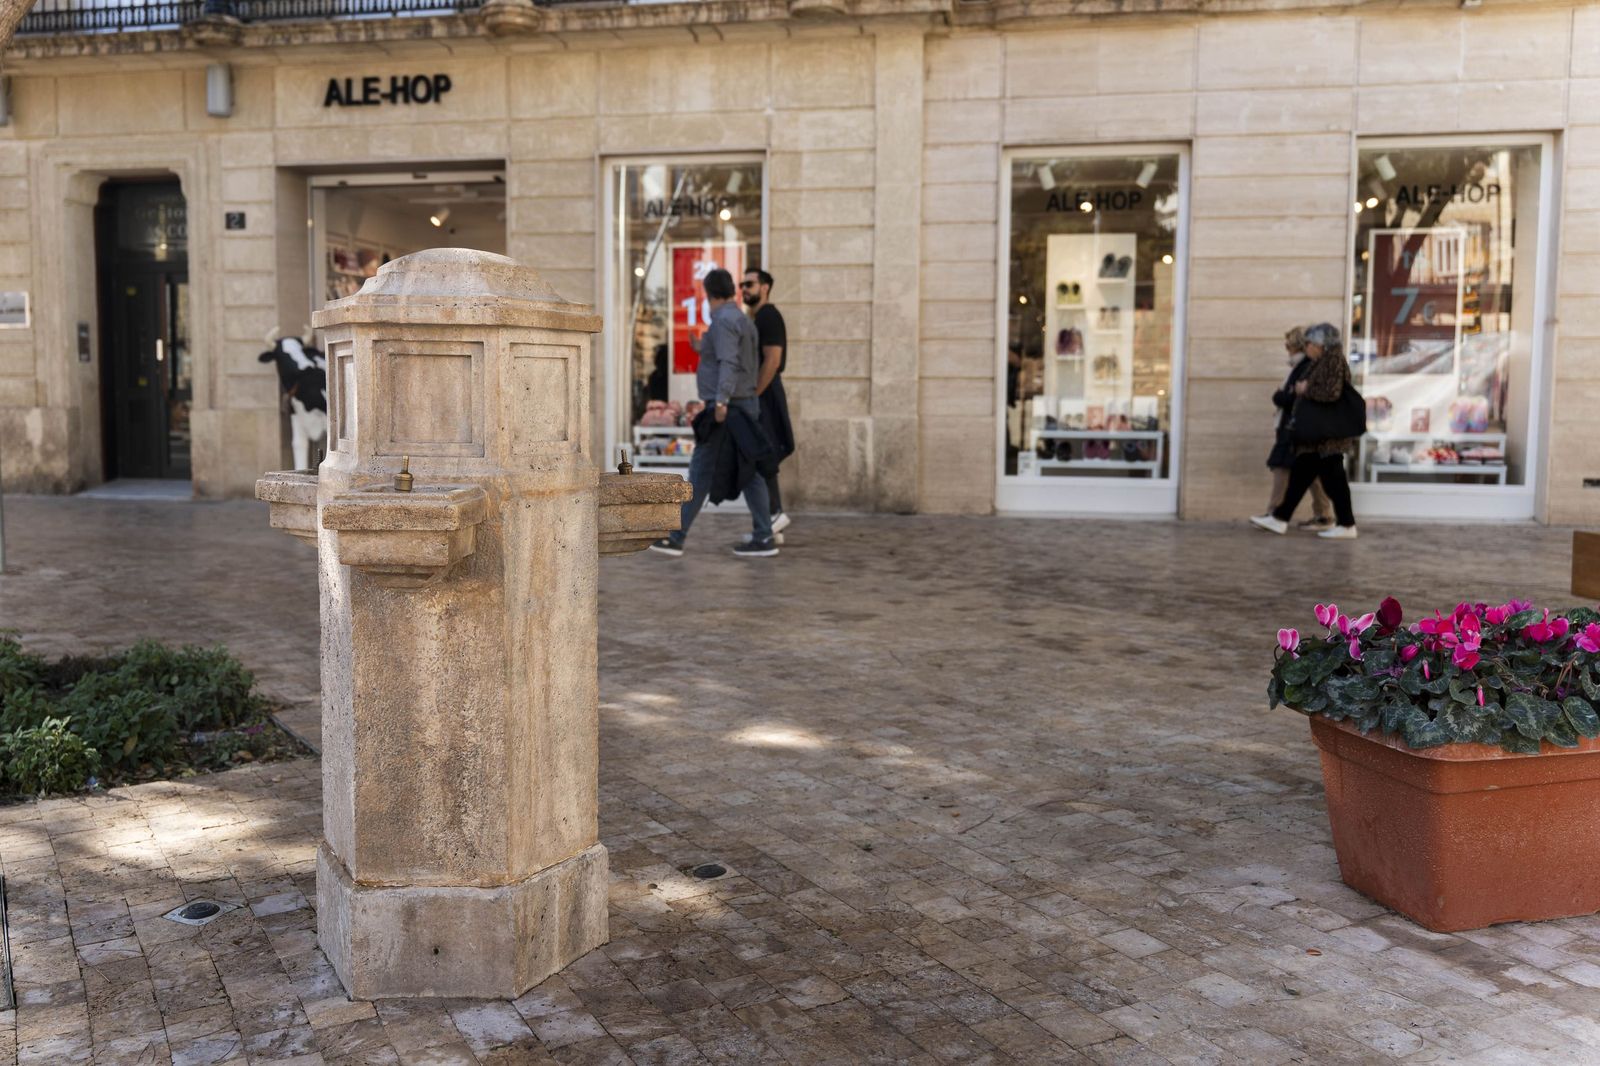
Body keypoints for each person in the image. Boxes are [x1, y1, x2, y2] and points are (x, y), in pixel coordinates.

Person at [649, 268, 778, 558]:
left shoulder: (723, 321)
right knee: (750, 469)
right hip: (741, 404)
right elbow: (735, 358)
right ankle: (763, 535)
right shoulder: (743, 319)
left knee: (702, 470)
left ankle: (676, 537)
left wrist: (720, 403)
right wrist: (702, 348)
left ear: (708, 294)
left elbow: (730, 364)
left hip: (727, 408)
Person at [1251, 323, 1359, 539]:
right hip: (1318, 436)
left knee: (1333, 481)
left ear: (1321, 344)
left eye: (1309, 343)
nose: (1306, 347)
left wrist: (1305, 389)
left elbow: (1331, 393)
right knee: (1303, 477)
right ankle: (1280, 518)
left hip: (1328, 436)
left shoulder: (1333, 361)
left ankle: (1346, 524)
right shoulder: (1323, 361)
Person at [742, 268, 793, 538]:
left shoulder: (768, 316)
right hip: (764, 393)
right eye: (742, 284)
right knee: (763, 457)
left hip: (766, 394)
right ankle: (772, 524)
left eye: (749, 283)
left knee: (764, 457)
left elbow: (772, 360)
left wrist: (755, 395)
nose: (744, 288)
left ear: (765, 287)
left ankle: (774, 516)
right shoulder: (758, 317)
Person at [1266, 326, 1333, 530]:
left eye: (1288, 345)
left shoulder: (1306, 367)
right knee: (1307, 472)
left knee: (1283, 467)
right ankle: (1324, 516)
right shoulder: (1301, 367)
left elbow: (1293, 397)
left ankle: (1275, 514)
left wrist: (1280, 396)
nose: (1286, 349)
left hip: (1298, 427)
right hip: (1299, 426)